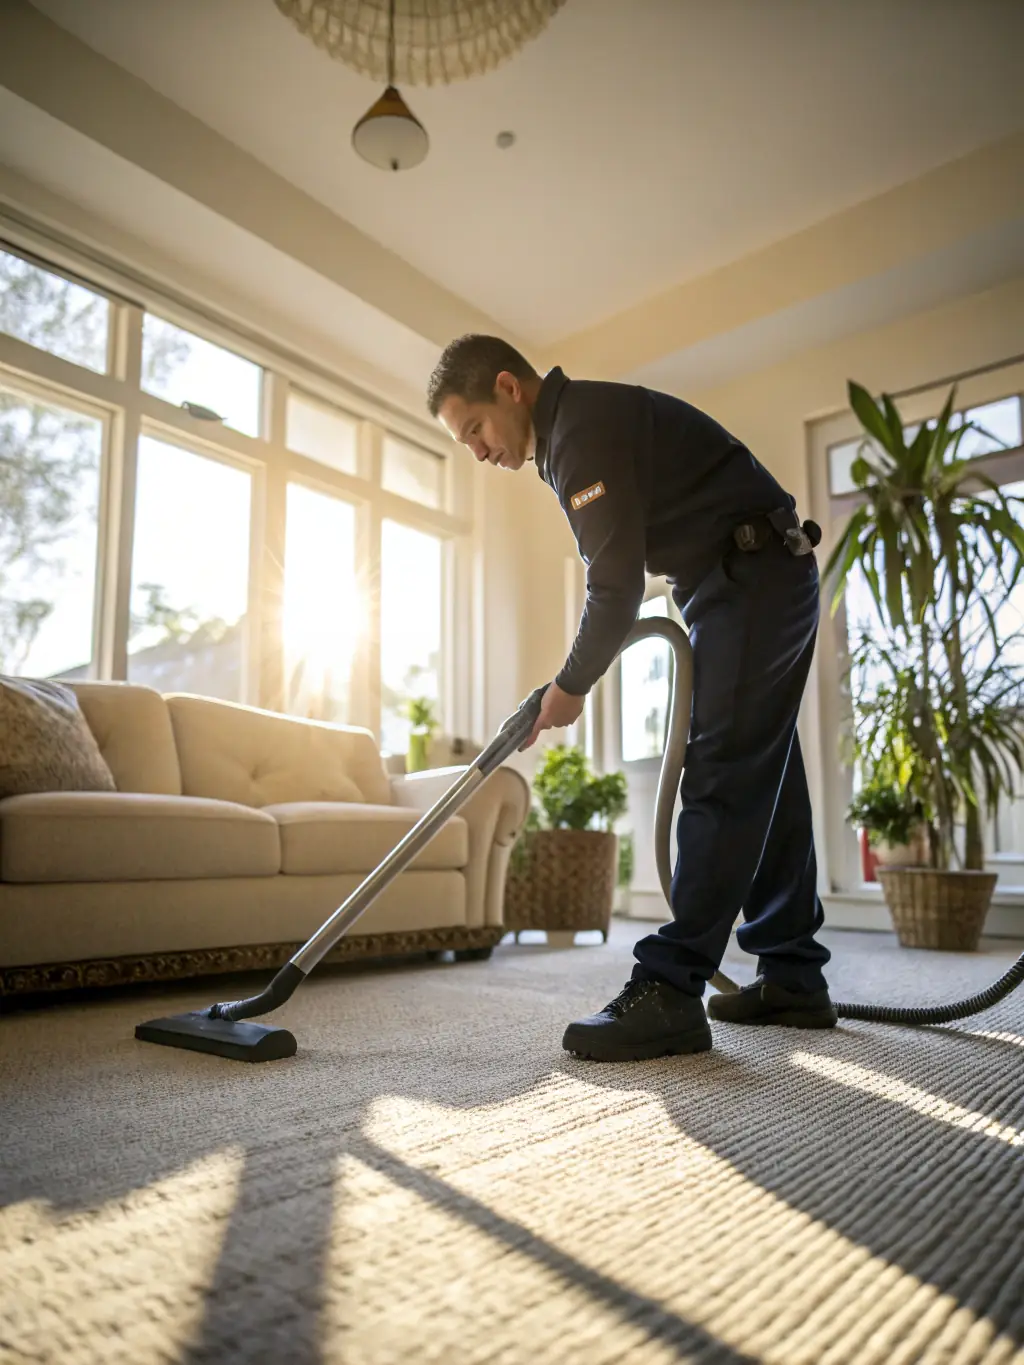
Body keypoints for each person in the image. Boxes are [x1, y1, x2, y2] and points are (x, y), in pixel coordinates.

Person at [428, 334, 837, 1062]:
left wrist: (570, 686)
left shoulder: (581, 429)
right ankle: (793, 974)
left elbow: (613, 589)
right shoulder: (568, 436)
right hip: (744, 579)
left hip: (752, 575)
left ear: (508, 387)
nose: (479, 452)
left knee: (720, 775)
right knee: (765, 774)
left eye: (475, 431)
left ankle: (671, 990)